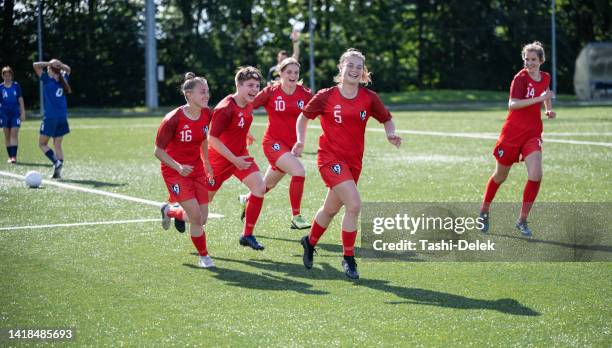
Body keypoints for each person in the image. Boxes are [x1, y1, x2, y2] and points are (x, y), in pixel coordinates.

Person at [293, 48, 402, 279]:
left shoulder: (369, 98)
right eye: (350, 65)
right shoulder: (326, 95)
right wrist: (301, 141)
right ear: (341, 68)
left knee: (331, 209)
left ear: (363, 72)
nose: (354, 70)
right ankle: (349, 258)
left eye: (358, 67)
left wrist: (390, 134)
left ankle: (309, 242)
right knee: (354, 205)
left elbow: (387, 119)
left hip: (354, 163)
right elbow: (303, 116)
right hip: (329, 159)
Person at [169, 67, 267, 251]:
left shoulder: (248, 102)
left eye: (257, 86)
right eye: (250, 85)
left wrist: (246, 134)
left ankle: (247, 235)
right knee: (199, 214)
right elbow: (212, 139)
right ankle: (173, 212)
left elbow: (238, 123)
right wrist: (234, 159)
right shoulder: (225, 107)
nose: (254, 89)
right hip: (218, 162)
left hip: (240, 157)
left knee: (259, 188)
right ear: (238, 85)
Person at [478, 41, 556, 237]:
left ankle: (522, 220)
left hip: (532, 134)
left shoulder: (545, 77)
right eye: (526, 59)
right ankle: (484, 211)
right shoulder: (519, 79)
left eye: (533, 59)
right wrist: (539, 100)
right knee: (500, 176)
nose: (529, 63)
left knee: (536, 174)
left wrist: (548, 109)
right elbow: (512, 104)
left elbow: (545, 93)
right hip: (512, 135)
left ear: (541, 61)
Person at [241, 57, 313, 230]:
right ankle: (296, 217)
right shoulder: (270, 92)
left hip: (290, 147)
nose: (293, 75)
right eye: (289, 72)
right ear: (280, 73)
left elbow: (322, 110)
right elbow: (247, 106)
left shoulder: (305, 94)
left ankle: (247, 199)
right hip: (272, 143)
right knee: (299, 171)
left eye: (296, 72)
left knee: (266, 186)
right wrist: (246, 129)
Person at [156, 72, 215, 268]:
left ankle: (170, 211)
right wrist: (178, 167)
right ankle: (204, 256)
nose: (207, 95)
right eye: (202, 92)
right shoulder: (172, 119)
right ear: (189, 95)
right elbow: (158, 151)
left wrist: (206, 162)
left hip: (197, 169)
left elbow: (204, 139)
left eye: (207, 91)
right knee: (196, 218)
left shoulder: (207, 113)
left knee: (202, 218)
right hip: (174, 171)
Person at [33, 59, 71, 179]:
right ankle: (58, 172)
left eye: (49, 68)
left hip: (50, 118)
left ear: (50, 69)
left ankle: (56, 162)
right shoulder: (63, 79)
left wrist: (50, 64)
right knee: (57, 145)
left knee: (42, 144)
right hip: (62, 117)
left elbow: (35, 65)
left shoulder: (47, 80)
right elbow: (68, 69)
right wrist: (59, 65)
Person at [0, 66, 26, 163]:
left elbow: (20, 99)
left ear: (11, 76)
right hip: (4, 114)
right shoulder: (0, 87)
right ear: (2, 76)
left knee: (14, 133)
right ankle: (10, 156)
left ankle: (14, 157)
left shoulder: (16, 85)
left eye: (9, 75)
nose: (7, 77)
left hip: (15, 113)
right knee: (7, 135)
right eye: (5, 75)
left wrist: (22, 112)